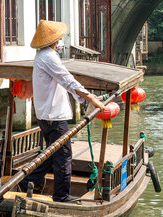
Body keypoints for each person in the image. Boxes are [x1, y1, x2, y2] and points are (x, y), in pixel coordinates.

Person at [21, 20, 105, 203]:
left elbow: (65, 80)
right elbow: (68, 80)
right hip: (54, 117)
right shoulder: (49, 57)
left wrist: (85, 97)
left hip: (46, 115)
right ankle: (61, 195)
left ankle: (27, 181)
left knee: (51, 154)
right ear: (56, 41)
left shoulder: (42, 56)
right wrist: (90, 97)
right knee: (63, 156)